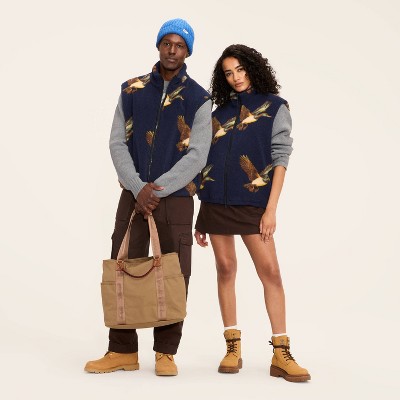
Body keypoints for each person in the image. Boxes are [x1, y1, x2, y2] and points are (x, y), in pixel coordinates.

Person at [85, 18, 212, 376]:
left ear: (188, 52)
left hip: (176, 197)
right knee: (123, 263)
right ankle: (121, 350)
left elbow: (198, 155)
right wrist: (136, 185)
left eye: (180, 45)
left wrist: (156, 189)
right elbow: (116, 142)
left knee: (175, 271)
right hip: (133, 193)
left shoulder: (199, 98)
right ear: (158, 46)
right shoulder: (132, 90)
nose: (172, 50)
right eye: (167, 43)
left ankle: (165, 353)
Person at [194, 44, 310, 382]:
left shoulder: (275, 107)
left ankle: (281, 352)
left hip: (254, 204)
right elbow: (205, 161)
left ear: (253, 68)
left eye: (240, 69)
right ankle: (232, 347)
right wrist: (201, 211)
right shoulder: (219, 113)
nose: (236, 77)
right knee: (225, 268)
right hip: (215, 202)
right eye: (229, 73)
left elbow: (280, 158)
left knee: (270, 272)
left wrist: (270, 209)